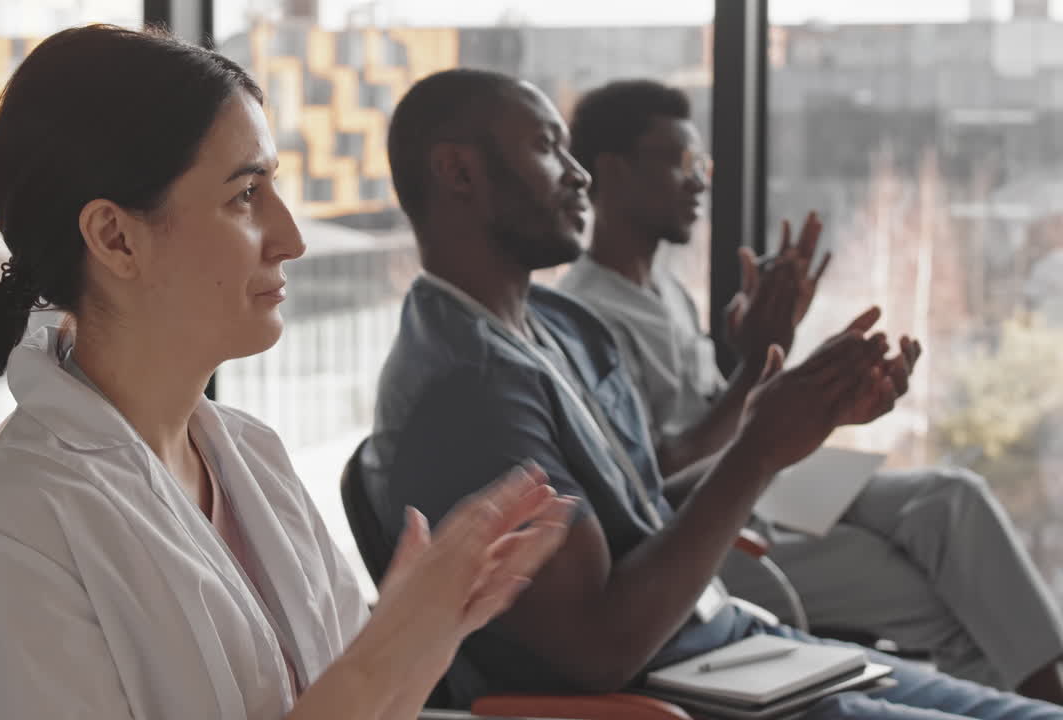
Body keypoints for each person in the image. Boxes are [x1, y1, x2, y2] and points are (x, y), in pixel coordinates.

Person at [0, 26, 575, 720]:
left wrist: (428, 636)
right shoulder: (1, 540)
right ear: (115, 238)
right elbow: (355, 689)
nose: (292, 237)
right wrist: (385, 656)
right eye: (245, 195)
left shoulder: (251, 456)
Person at [362, 66, 1063, 720]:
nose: (578, 175)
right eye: (549, 149)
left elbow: (645, 500)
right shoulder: (463, 394)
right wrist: (757, 450)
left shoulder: (559, 325)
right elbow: (600, 650)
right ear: (458, 171)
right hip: (685, 692)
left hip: (735, 647)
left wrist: (795, 417)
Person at [556, 78, 1063, 701]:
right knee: (947, 596)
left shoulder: (665, 294)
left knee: (950, 497)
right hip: (706, 529)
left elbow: (725, 417)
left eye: (704, 163)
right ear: (613, 170)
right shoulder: (581, 314)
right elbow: (648, 480)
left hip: (763, 487)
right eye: (683, 162)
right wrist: (752, 373)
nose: (700, 181)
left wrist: (771, 358)